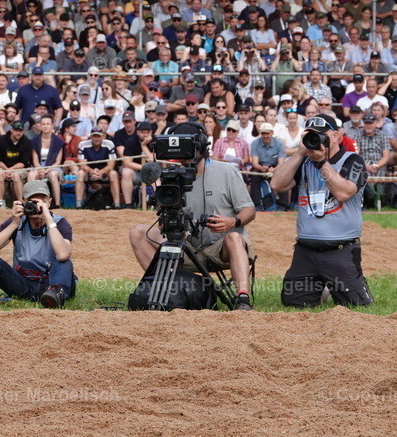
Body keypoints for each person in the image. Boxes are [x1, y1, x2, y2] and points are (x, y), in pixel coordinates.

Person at [127, 121, 257, 310]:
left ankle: (242, 298)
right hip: (187, 246)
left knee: (235, 237)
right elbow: (166, 218)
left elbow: (249, 210)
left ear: (202, 146)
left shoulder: (226, 171)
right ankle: (166, 288)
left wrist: (232, 221)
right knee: (138, 232)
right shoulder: (171, 176)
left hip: (220, 247)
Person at [270, 115, 372, 307]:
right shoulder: (304, 161)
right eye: (310, 135)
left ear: (335, 135)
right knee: (292, 301)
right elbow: (276, 184)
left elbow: (343, 192)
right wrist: (300, 153)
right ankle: (324, 285)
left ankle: (345, 284)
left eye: (321, 135)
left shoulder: (353, 160)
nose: (316, 139)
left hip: (340, 250)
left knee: (356, 304)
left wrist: (321, 163)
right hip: (306, 250)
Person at [0, 180, 75, 308]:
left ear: (49, 202)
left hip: (52, 283)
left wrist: (48, 219)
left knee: (64, 261)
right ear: (23, 201)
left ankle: (55, 295)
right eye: (32, 202)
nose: (37, 206)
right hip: (23, 284)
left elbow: (63, 254)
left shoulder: (60, 223)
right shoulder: (16, 222)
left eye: (42, 202)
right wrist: (13, 224)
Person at [248, 122, 287, 209]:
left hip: (275, 166)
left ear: (272, 133)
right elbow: (255, 163)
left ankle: (284, 204)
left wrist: (274, 169)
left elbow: (281, 163)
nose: (265, 136)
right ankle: (256, 204)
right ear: (260, 134)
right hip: (260, 166)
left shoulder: (279, 143)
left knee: (282, 176)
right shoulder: (255, 143)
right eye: (263, 133)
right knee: (255, 176)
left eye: (267, 133)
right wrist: (261, 168)